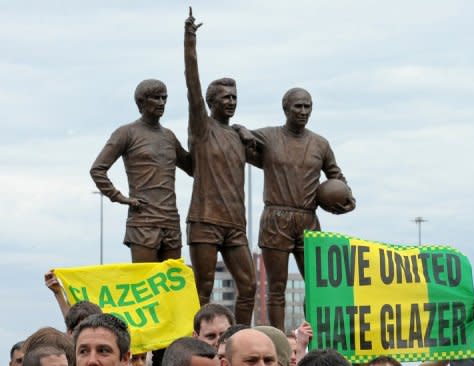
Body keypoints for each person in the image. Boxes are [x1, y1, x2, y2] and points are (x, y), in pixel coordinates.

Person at [234, 87, 356, 330]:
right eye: (298, 106)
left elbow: (336, 175)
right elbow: (236, 133)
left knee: (316, 284)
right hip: (276, 218)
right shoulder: (269, 137)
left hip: (308, 221)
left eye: (307, 106)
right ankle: (279, 342)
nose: (303, 111)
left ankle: (317, 335)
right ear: (285, 108)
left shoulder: (320, 144)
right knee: (276, 287)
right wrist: (242, 130)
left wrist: (347, 198)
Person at [183, 7, 256, 325]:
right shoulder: (202, 127)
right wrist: (190, 40)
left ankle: (238, 338)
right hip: (205, 220)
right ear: (211, 102)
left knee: (250, 286)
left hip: (235, 224)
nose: (231, 101)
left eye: (234, 97)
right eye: (225, 97)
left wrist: (243, 130)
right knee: (203, 290)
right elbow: (192, 83)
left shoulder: (239, 136)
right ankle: (197, 340)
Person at [90, 79, 192, 263]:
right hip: (143, 221)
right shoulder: (126, 133)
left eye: (164, 98)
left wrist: (202, 139)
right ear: (141, 102)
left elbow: (192, 168)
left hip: (170, 221)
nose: (162, 103)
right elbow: (97, 169)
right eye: (156, 98)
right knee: (145, 283)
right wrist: (119, 197)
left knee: (171, 287)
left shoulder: (169, 136)